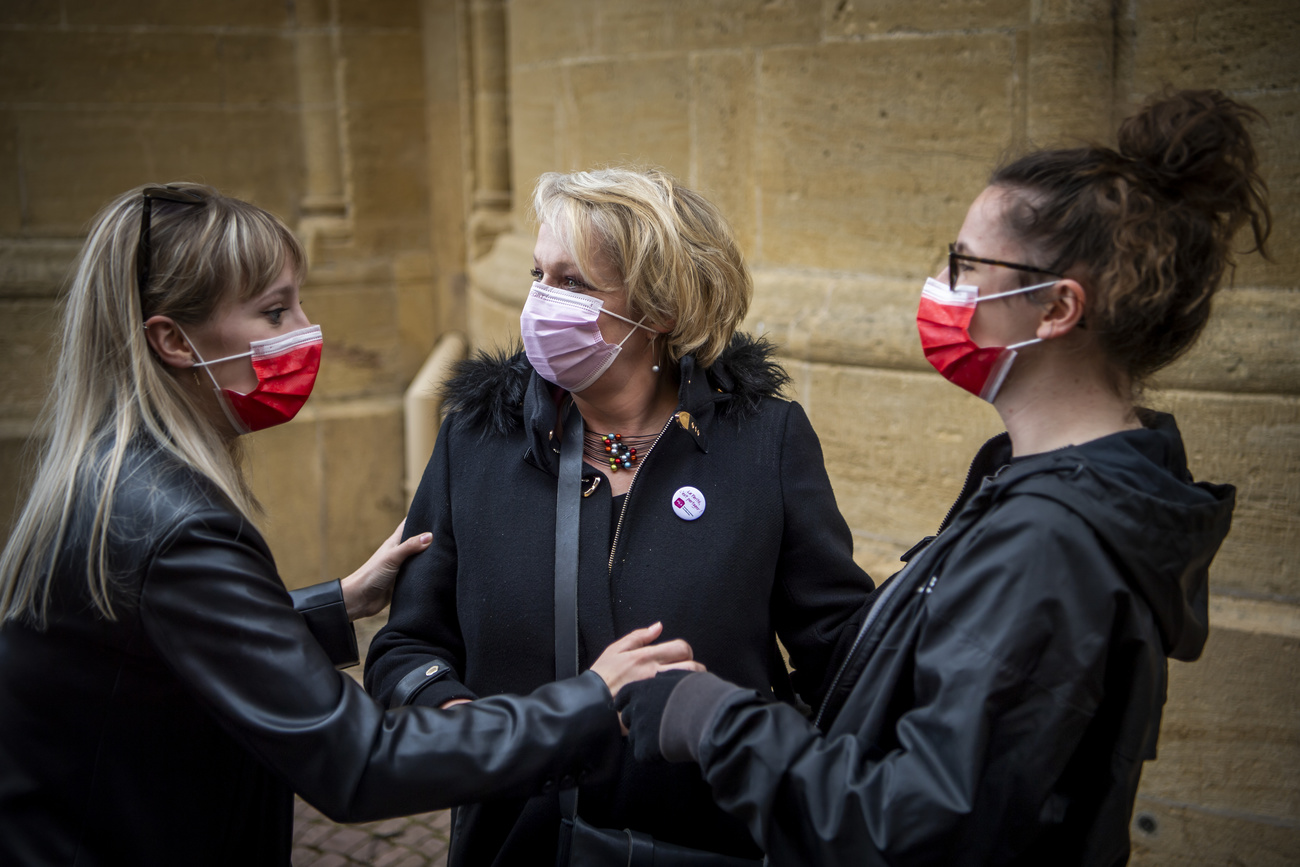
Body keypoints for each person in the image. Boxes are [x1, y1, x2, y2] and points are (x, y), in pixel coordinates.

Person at [614, 88, 1271, 865]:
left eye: (966, 263)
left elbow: (912, 831)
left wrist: (711, 717)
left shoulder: (1050, 543)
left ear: (1057, 306)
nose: (941, 284)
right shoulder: (1038, 489)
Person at [0, 183, 701, 867]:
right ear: (174, 341)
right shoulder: (177, 525)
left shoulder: (115, 471)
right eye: (274, 312)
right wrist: (586, 701)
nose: (305, 330)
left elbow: (169, 653)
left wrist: (342, 601)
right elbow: (359, 760)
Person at [364, 167, 873, 864]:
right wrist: (470, 727)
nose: (542, 302)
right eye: (538, 275)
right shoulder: (476, 442)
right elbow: (407, 647)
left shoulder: (766, 442)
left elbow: (840, 657)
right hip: (517, 843)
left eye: (573, 283)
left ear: (659, 310)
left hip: (709, 843)